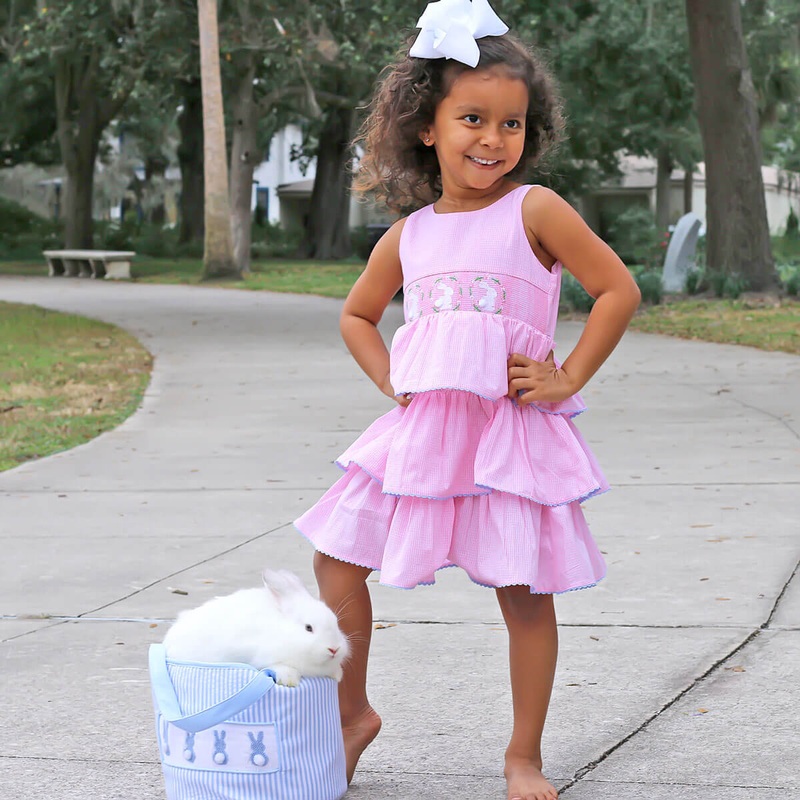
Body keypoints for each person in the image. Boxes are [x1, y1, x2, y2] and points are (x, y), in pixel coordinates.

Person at [295, 2, 641, 798]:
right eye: (474, 119)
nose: (493, 139)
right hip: (424, 432)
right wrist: (393, 377)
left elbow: (616, 290)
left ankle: (523, 756)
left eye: (512, 124)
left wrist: (569, 375)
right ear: (426, 126)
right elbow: (355, 315)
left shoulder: (536, 211)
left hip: (510, 434)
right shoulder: (410, 235)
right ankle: (353, 715)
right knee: (336, 555)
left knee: (522, 592)